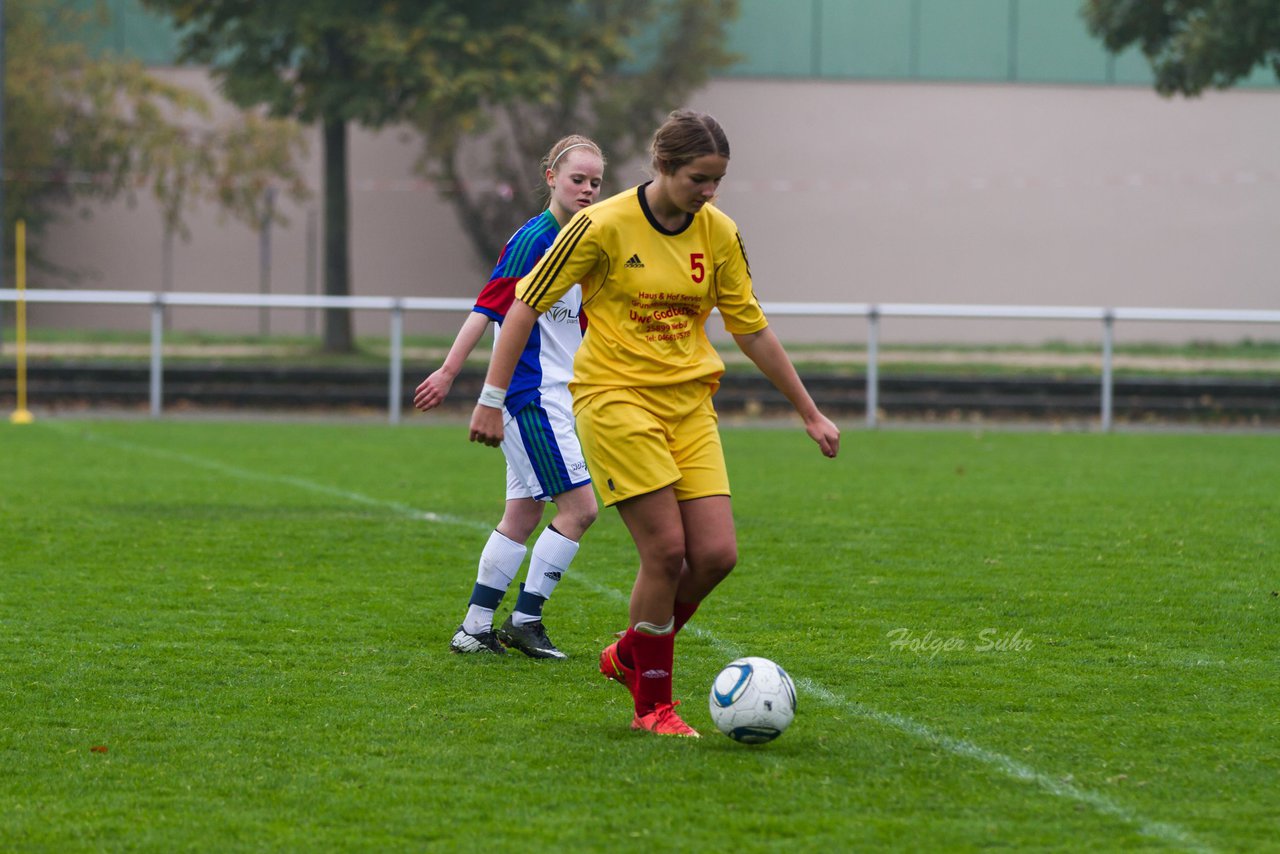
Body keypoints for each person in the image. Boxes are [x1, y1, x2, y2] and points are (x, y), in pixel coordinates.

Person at [468, 110, 840, 735]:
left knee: (717, 555)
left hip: (689, 406)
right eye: (699, 178)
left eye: (718, 180)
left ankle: (631, 653)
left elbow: (751, 327)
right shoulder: (600, 225)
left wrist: (809, 410)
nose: (709, 192)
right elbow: (523, 304)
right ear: (664, 167)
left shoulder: (719, 232)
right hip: (614, 401)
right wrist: (489, 395)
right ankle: (653, 706)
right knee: (666, 553)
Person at [415, 135, 606, 660]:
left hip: (561, 396)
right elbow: (487, 309)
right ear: (550, 177)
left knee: (522, 514)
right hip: (532, 397)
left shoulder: (589, 242)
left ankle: (474, 629)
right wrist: (454, 373)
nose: (587, 189)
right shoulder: (534, 239)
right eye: (577, 179)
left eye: (595, 182)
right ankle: (526, 620)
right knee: (581, 509)